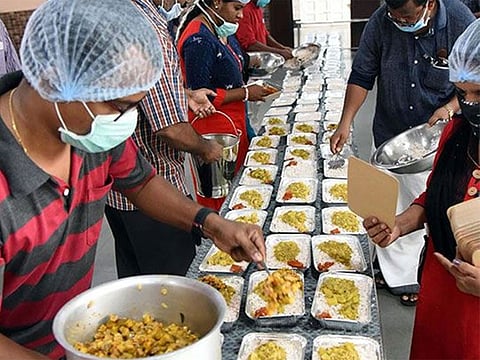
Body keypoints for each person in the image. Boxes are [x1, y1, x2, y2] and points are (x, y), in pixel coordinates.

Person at [0, 1, 266, 359]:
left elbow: (139, 182)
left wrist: (210, 223)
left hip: (65, 339)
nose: (126, 121)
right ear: (52, 79)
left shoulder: (87, 131)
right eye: (120, 106)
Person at [330, 0, 475, 306]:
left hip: (434, 138)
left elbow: (470, 79)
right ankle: (390, 271)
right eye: (393, 15)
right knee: (386, 209)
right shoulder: (381, 21)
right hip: (390, 133)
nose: (398, 20)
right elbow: (362, 75)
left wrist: (451, 108)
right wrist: (346, 122)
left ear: (430, 4)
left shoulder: (458, 19)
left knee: (430, 203)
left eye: (406, 16)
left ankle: (410, 276)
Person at [363, 19, 480, 359]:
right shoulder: (456, 134)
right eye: (461, 93)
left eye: (478, 93)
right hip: (439, 290)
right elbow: (434, 197)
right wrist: (400, 224)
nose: (468, 104)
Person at [105, 0, 224, 278]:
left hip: (120, 191)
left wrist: (184, 95)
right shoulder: (146, 27)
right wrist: (206, 147)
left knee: (138, 283)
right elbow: (169, 128)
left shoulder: (129, 13)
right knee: (173, 290)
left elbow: (145, 91)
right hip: (153, 193)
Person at [177, 0, 268, 211]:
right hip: (213, 129)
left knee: (241, 191)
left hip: (233, 121)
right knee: (222, 200)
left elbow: (236, 59)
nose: (242, 16)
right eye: (237, 8)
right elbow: (201, 95)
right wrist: (245, 92)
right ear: (217, 2)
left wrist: (256, 61)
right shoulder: (198, 39)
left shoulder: (220, 28)